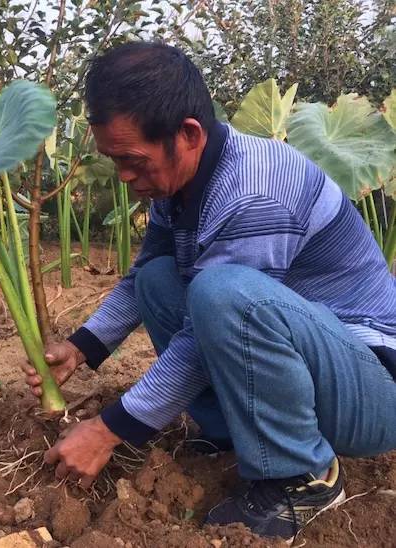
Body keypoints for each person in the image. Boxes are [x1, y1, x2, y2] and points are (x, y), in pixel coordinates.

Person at [24, 41, 396, 542]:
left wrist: (110, 431)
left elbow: (211, 328)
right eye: (114, 160)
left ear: (189, 134)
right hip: (311, 361)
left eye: (134, 160)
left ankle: (303, 477)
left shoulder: (256, 190)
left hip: (371, 386)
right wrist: (82, 345)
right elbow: (143, 278)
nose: (127, 178)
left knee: (222, 293)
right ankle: (230, 435)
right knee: (161, 277)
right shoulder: (177, 183)